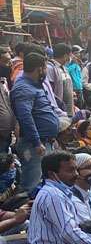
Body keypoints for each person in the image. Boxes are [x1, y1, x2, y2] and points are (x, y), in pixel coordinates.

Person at [11, 52, 59, 194]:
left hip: (44, 142)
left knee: (43, 183)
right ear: (40, 68)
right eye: (45, 68)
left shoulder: (34, 85)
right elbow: (25, 117)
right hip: (34, 146)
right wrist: (37, 142)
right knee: (31, 184)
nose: (45, 72)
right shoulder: (23, 87)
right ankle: (24, 213)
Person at [47, 43, 74, 117]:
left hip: (68, 110)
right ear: (65, 56)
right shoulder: (50, 68)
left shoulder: (65, 68)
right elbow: (50, 91)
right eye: (70, 55)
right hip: (59, 112)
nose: (70, 58)